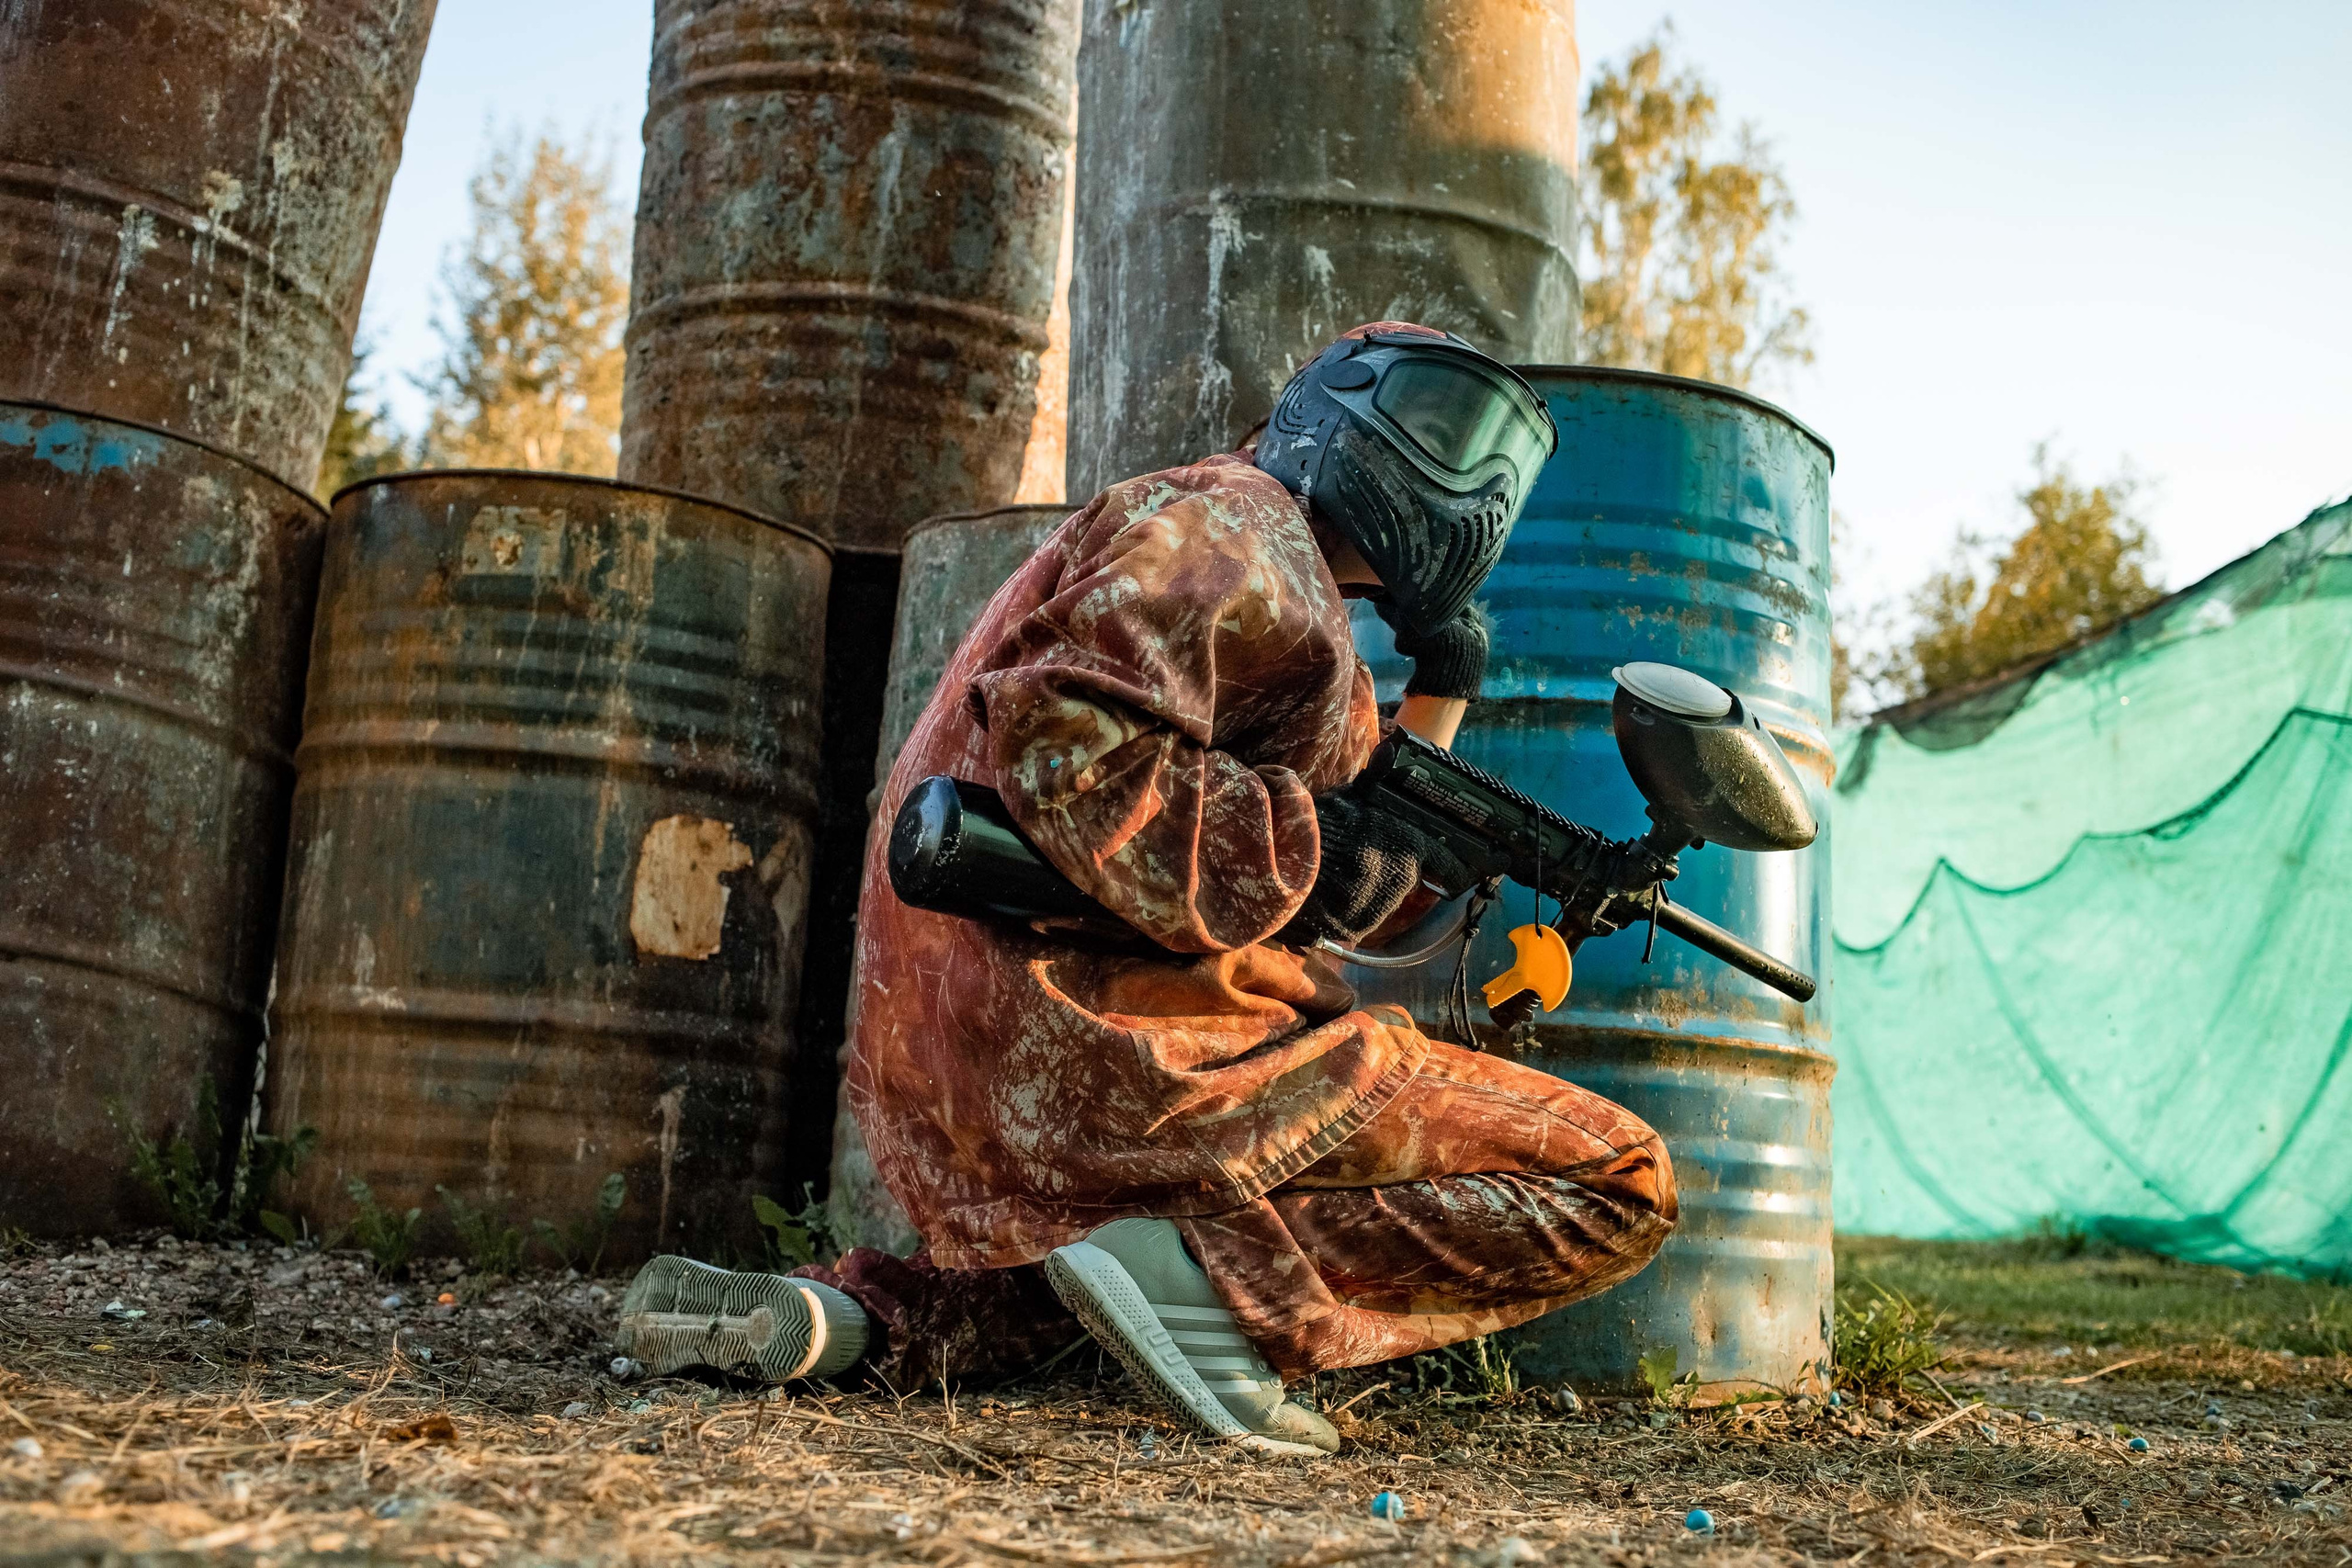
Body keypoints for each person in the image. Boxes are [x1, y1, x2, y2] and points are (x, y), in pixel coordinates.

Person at [616, 323, 1678, 1457]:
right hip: (1113, 1041)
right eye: (1437, 423)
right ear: (1326, 407)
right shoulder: (1233, 525)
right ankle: (1206, 1284)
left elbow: (1331, 888)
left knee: (1081, 1296)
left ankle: (856, 1323)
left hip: (963, 1068)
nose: (1465, 477)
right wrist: (1322, 845)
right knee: (1623, 1178)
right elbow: (1075, 756)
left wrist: (1437, 708)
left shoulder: (1284, 593)